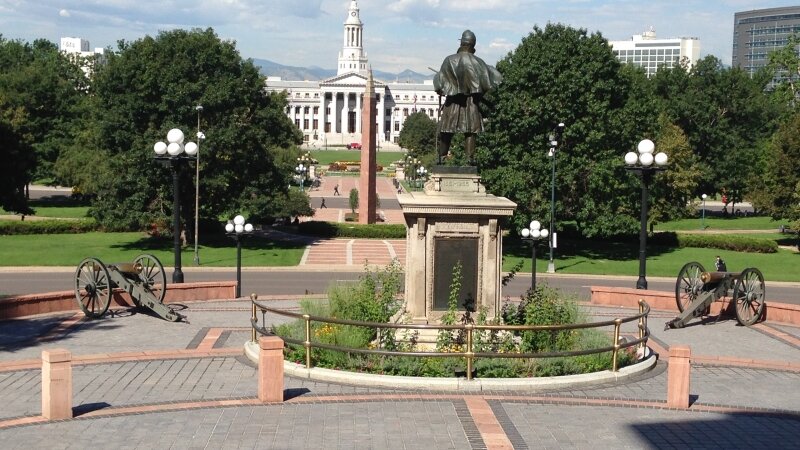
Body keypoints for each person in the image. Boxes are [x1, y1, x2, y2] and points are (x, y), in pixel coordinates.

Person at [433, 29, 502, 165]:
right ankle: (470, 159)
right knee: (470, 131)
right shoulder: (479, 63)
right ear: (473, 45)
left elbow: (440, 83)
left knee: (447, 130)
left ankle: (441, 157)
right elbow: (491, 80)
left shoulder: (449, 60)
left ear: (462, 43)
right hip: (471, 103)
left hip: (453, 102)